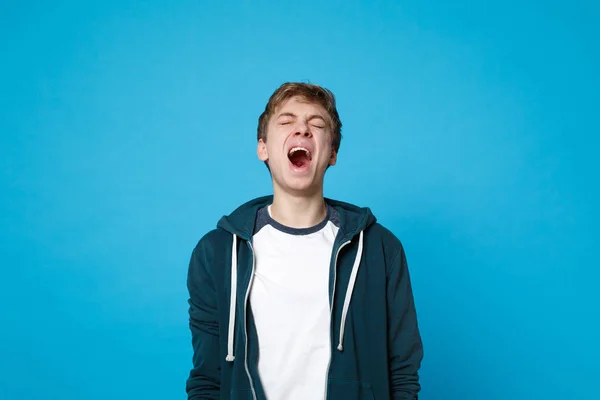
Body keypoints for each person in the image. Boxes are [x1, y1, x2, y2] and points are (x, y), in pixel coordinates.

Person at [185, 82, 423, 400]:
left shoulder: (380, 249)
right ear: (263, 148)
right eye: (286, 122)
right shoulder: (216, 252)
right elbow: (208, 379)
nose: (302, 130)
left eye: (316, 124)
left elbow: (403, 373)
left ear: (332, 153)